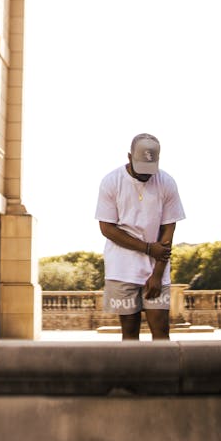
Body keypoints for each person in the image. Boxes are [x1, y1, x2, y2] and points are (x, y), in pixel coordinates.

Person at [95, 133, 185, 341]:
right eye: (141, 169)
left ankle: (164, 375)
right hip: (121, 269)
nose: (146, 175)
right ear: (129, 157)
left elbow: (168, 232)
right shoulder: (111, 182)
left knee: (162, 331)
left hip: (156, 268)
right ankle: (135, 375)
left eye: (149, 170)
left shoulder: (167, 183)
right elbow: (107, 228)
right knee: (130, 333)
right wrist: (146, 248)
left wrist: (157, 274)